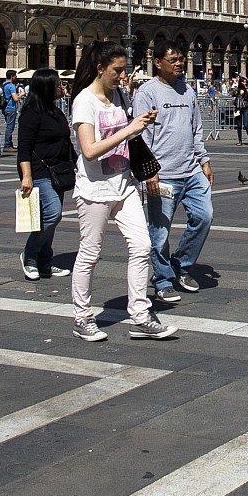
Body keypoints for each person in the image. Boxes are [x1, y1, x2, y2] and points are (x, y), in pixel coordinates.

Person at [68, 43, 179, 342]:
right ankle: (82, 316)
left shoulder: (119, 95)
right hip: (95, 190)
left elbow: (127, 138)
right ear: (100, 68)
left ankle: (140, 316)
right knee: (90, 253)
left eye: (123, 69)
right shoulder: (84, 102)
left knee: (142, 246)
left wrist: (140, 126)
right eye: (117, 70)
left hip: (125, 184)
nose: (122, 75)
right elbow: (89, 151)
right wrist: (128, 129)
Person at [135, 43, 215, 296]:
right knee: (159, 231)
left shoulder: (187, 91)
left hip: (191, 170)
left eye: (182, 59)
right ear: (158, 62)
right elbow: (141, 135)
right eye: (174, 60)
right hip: (163, 174)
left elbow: (196, 129)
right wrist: (149, 172)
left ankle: (181, 263)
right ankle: (162, 279)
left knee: (204, 217)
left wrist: (204, 160)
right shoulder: (147, 92)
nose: (180, 63)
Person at [16, 67, 76, 281]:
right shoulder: (30, 115)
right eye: (58, 84)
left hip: (58, 171)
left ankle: (45, 262)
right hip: (40, 172)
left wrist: (76, 163)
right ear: (46, 87)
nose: (62, 87)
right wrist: (26, 176)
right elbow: (24, 147)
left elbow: (65, 142)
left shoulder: (56, 111)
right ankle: (29, 255)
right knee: (53, 213)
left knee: (49, 217)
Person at [230, 77, 248, 145]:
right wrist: (235, 90)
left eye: (245, 82)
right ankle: (240, 141)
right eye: (243, 82)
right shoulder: (237, 89)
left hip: (245, 108)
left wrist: (246, 89)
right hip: (238, 108)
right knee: (239, 125)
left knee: (246, 125)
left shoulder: (246, 89)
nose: (244, 83)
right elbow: (232, 94)